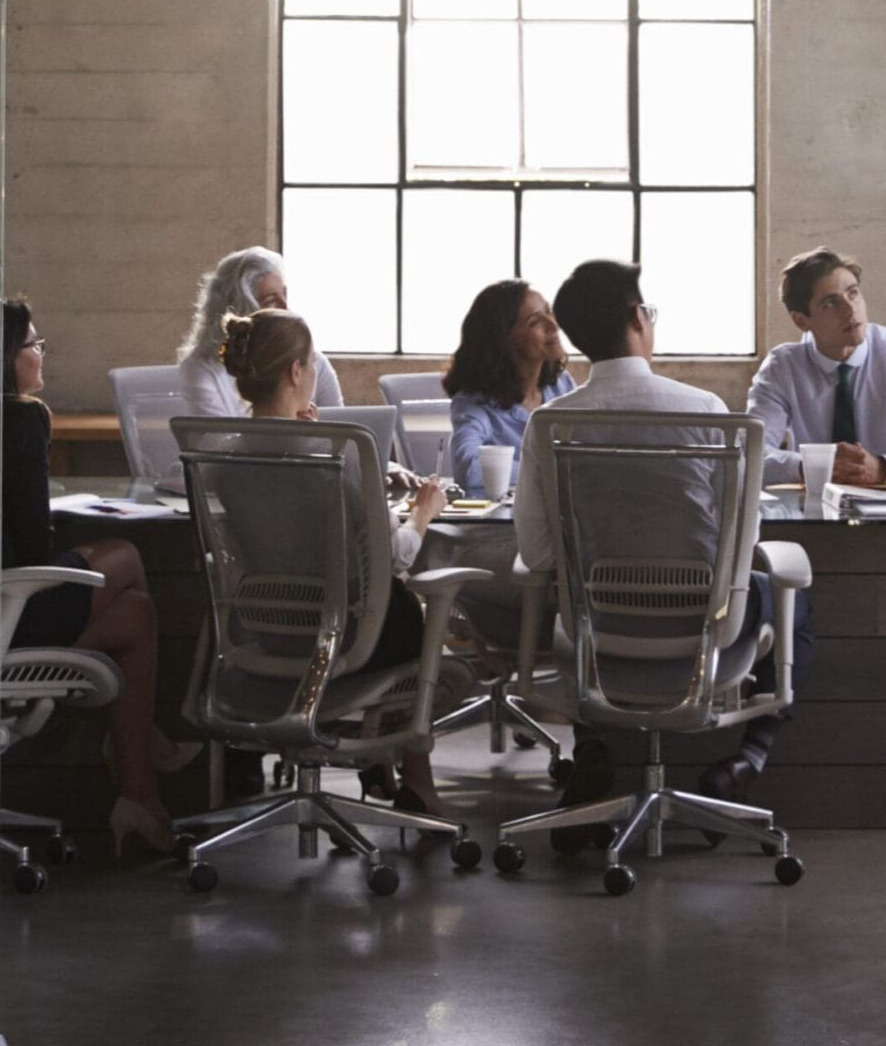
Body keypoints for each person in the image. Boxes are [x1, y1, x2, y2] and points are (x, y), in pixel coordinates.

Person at [517, 259, 813, 815]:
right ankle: (748, 759)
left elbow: (536, 554)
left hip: (595, 634)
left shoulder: (551, 423)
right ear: (638, 318)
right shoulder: (705, 411)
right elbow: (742, 541)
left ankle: (596, 749)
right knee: (788, 588)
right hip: (704, 630)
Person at [0, 296, 193, 856]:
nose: (42, 355)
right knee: (128, 556)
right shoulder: (19, 417)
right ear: (4, 358)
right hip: (5, 608)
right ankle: (141, 751)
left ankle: (141, 792)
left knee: (137, 615)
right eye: (34, 345)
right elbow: (33, 545)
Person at [222, 307, 444, 810]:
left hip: (260, 629)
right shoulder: (333, 452)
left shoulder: (223, 454)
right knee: (408, 610)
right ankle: (418, 781)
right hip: (338, 638)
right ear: (296, 373)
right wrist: (423, 514)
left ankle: (378, 765)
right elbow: (391, 559)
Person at [747, 247, 886, 579]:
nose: (850, 309)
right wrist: (816, 468)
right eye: (830, 303)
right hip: (817, 528)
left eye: (853, 293)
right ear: (801, 320)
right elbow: (749, 457)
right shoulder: (783, 367)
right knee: (782, 565)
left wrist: (882, 468)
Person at [441, 279, 575, 495]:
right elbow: (469, 470)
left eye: (548, 312)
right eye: (534, 322)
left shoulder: (561, 384)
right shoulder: (475, 402)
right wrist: (554, 470)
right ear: (504, 340)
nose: (553, 325)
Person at [178, 247, 343, 413]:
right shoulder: (202, 369)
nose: (285, 307)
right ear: (240, 308)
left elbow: (341, 429)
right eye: (271, 300)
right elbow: (214, 438)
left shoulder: (313, 363)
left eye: (284, 295)